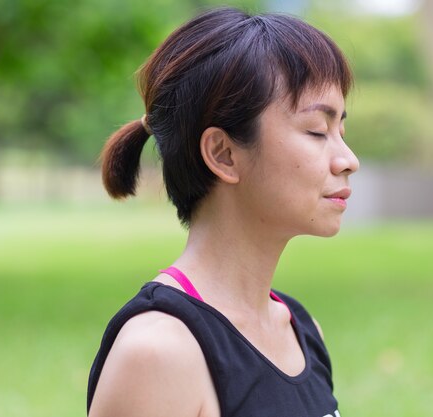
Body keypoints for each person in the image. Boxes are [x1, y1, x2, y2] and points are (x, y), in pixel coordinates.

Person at [87, 7, 358, 417]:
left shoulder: (301, 330)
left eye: (342, 131)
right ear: (223, 153)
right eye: (317, 131)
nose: (348, 159)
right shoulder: (159, 353)